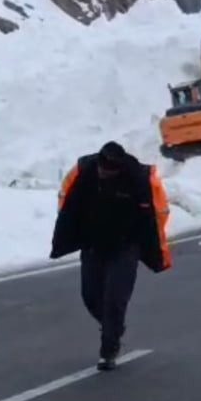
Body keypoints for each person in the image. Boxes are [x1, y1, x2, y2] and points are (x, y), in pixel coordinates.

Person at [50, 141, 172, 370]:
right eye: (102, 169)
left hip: (126, 247)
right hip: (93, 244)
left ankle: (109, 349)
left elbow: (157, 214)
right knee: (90, 296)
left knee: (115, 298)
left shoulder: (137, 179)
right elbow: (68, 205)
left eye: (110, 171)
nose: (104, 173)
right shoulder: (86, 172)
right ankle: (112, 326)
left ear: (119, 168)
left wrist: (153, 248)